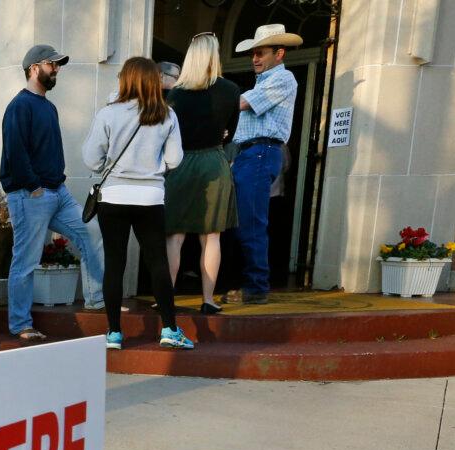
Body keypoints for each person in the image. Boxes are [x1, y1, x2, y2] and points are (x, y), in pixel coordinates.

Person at [82, 56, 192, 350]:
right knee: (158, 262)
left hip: (114, 196)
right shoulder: (167, 115)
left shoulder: (108, 114)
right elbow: (174, 159)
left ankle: (114, 333)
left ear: (126, 79)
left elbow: (91, 158)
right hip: (150, 197)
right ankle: (169, 329)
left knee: (115, 264)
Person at [1, 44, 102, 340]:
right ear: (34, 68)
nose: (56, 69)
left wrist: (57, 181)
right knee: (26, 261)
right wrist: (33, 187)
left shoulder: (49, 106)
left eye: (58, 65)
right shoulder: (19, 106)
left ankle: (97, 299)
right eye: (51, 64)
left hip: (59, 193)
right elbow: (16, 153)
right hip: (31, 195)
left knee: (91, 233)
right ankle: (20, 324)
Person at [164, 32, 240, 314]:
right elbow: (230, 132)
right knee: (212, 237)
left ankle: (167, 298)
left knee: (175, 235)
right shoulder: (231, 90)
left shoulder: (175, 94)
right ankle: (208, 300)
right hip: (213, 162)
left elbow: (167, 133)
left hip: (181, 162)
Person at [231, 24, 302, 305]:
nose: (255, 58)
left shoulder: (283, 80)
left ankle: (257, 287)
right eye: (254, 54)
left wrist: (204, 97)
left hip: (261, 153)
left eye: (261, 53)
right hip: (251, 153)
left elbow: (242, 105)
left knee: (251, 223)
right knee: (243, 223)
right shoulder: (263, 82)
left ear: (279, 53)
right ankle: (251, 283)